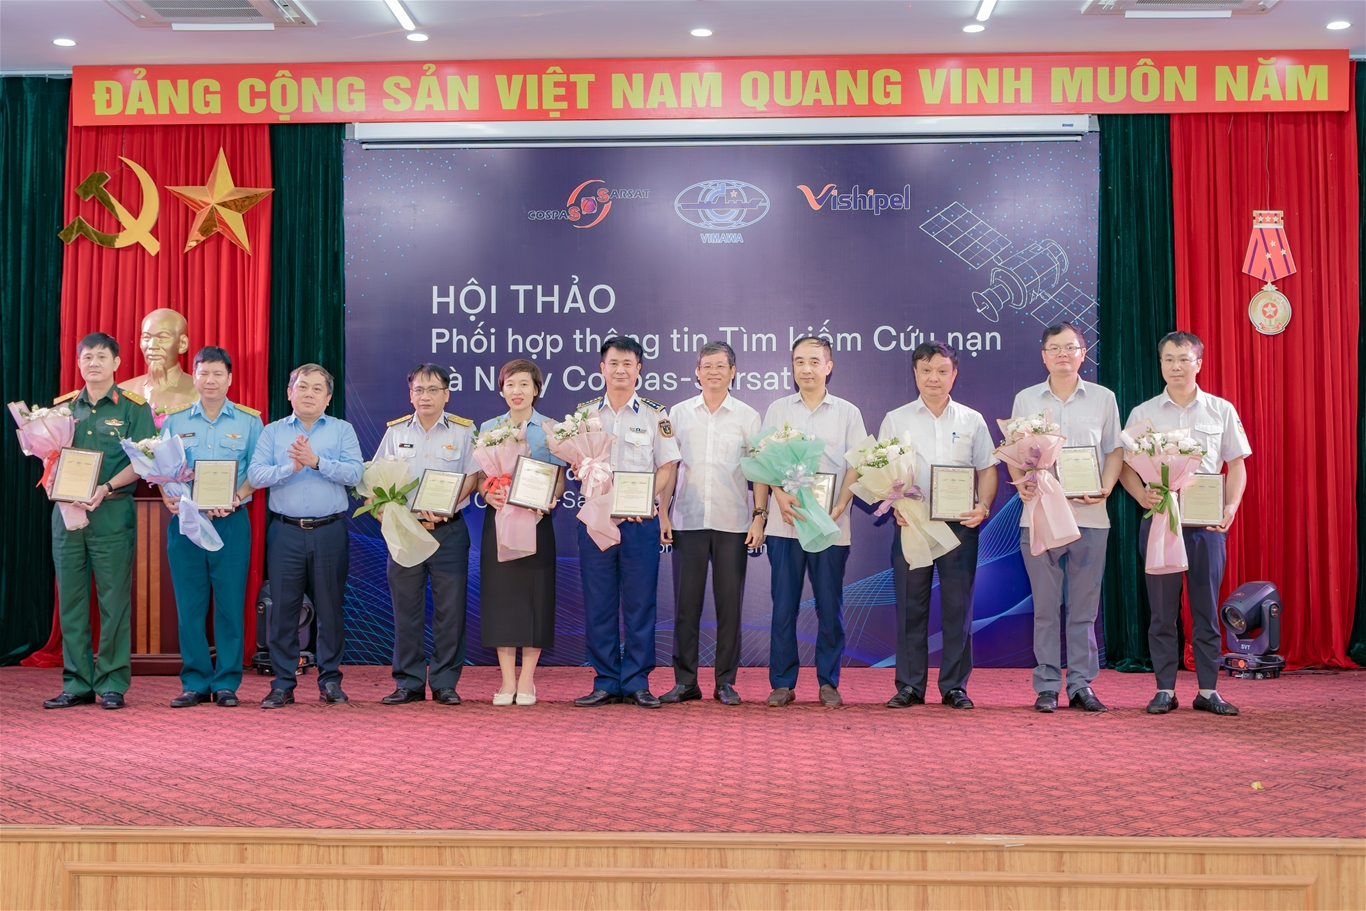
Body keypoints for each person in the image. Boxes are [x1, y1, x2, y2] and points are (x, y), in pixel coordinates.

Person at [1120, 331, 1249, 717]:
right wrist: (1140, 494)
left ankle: (1208, 690)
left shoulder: (1220, 410)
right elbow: (1124, 466)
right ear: (1160, 363)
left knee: (1206, 610)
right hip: (1161, 522)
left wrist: (1231, 506)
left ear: (1199, 363)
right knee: (1162, 611)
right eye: (1168, 359)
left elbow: (1236, 464)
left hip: (1205, 527)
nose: (1176, 367)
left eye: (1183, 359)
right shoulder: (1143, 413)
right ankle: (1164, 689)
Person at [1008, 324, 1121, 714]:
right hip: (1039, 516)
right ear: (1043, 356)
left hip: (1090, 517)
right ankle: (1046, 686)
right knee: (1044, 608)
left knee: (1083, 609)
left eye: (1069, 347)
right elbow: (1016, 452)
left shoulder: (1104, 398)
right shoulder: (1026, 399)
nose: (1062, 354)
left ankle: (1080, 685)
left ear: (1083, 353)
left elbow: (1115, 451)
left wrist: (1106, 487)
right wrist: (1021, 484)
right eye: (1054, 348)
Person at [879, 341, 996, 710]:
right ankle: (910, 686)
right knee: (910, 607)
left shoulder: (972, 420)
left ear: (954, 374)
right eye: (926, 370)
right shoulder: (896, 419)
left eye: (942, 371)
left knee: (958, 608)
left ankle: (954, 687)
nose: (934, 378)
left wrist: (983, 506)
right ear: (915, 374)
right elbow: (882, 471)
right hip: (912, 524)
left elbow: (987, 470)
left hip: (959, 526)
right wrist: (895, 505)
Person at [43, 332, 156, 710]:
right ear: (78, 363)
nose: (93, 363)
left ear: (117, 363)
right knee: (71, 601)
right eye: (87, 357)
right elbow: (49, 456)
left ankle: (112, 682)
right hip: (67, 514)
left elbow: (143, 461)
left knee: (113, 601)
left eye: (101, 357)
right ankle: (76, 683)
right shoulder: (61, 410)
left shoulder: (134, 408)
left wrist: (106, 487)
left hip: (111, 511)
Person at [755, 335, 866, 708]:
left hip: (830, 524)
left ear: (828, 367)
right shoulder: (778, 410)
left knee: (829, 607)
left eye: (814, 361)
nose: (806, 369)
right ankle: (782, 682)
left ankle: (828, 681)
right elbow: (762, 459)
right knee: (784, 606)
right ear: (792, 366)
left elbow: (857, 465)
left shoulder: (848, 412)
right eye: (799, 361)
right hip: (785, 523)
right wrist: (778, 493)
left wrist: (842, 504)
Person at [247, 364, 363, 708]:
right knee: (283, 610)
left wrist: (316, 462)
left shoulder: (342, 430)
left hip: (329, 531)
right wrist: (291, 468)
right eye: (302, 387)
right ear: (289, 393)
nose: (309, 394)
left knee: (330, 609)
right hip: (286, 532)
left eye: (317, 389)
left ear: (328, 398)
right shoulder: (273, 432)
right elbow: (255, 476)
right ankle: (283, 683)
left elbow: (355, 473)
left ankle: (330, 681)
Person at [574, 336, 680, 709]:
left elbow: (667, 466)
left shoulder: (655, 415)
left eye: (628, 363)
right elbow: (577, 462)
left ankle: (636, 681)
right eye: (613, 363)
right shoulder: (585, 415)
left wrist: (648, 499)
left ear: (639, 369)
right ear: (602, 368)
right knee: (599, 602)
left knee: (640, 603)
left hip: (639, 520)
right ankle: (606, 680)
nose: (620, 370)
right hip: (596, 520)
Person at [158, 346, 263, 708]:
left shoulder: (249, 422)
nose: (211, 380)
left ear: (230, 378)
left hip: (231, 522)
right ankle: (195, 681)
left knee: (230, 605)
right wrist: (166, 496)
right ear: (195, 377)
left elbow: (257, 470)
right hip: (187, 523)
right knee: (189, 606)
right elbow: (162, 469)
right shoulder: (175, 421)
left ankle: (227, 682)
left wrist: (237, 496)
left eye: (218, 374)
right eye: (203, 373)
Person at [370, 364, 479, 706]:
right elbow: (376, 478)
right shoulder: (395, 432)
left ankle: (445, 682)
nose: (425, 396)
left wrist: (449, 505)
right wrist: (380, 507)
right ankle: (409, 682)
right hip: (406, 531)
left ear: (446, 395)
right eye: (419, 389)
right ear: (410, 394)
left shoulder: (464, 431)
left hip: (449, 531)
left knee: (450, 612)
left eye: (433, 390)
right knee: (407, 611)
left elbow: (473, 476)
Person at [662, 341, 763, 706]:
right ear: (697, 372)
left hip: (732, 521)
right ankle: (685, 682)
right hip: (687, 519)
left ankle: (725, 682)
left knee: (729, 607)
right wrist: (663, 512)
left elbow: (759, 471)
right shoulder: (679, 413)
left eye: (721, 366)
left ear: (733, 371)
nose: (714, 372)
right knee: (685, 607)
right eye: (707, 366)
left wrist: (759, 517)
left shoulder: (748, 416)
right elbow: (670, 467)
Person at [477, 359, 565, 706]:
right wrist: (489, 494)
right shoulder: (489, 428)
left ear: (536, 390)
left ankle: (527, 681)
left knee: (535, 599)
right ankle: (506, 681)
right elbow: (481, 478)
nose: (517, 391)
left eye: (525, 384)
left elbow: (558, 480)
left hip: (536, 521)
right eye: (510, 384)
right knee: (502, 598)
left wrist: (550, 499)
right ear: (501, 389)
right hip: (499, 519)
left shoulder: (550, 429)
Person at [119, 308, 199, 413]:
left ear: (182, 344)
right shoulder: (123, 391)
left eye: (162, 337)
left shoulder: (200, 392)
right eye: (146, 338)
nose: (152, 346)